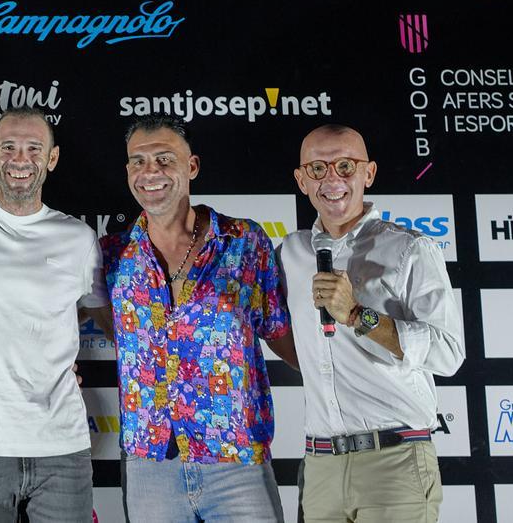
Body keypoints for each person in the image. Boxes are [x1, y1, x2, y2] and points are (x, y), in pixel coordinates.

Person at [101, 114, 297, 523]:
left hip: (237, 461)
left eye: (163, 159)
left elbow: (280, 332)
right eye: (138, 161)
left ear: (192, 166)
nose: (149, 172)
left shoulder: (244, 241)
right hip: (150, 463)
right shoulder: (110, 254)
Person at [279, 124, 464, 523]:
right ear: (301, 180)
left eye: (346, 166)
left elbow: (449, 355)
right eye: (317, 169)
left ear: (369, 173)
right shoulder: (289, 254)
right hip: (321, 466)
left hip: (395, 460)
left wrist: (356, 316)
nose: (332, 179)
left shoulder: (411, 248)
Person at [0, 107, 112, 522]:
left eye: (34, 148)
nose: (20, 159)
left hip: (62, 446)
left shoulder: (79, 239)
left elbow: (114, 325)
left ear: (51, 159)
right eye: (9, 147)